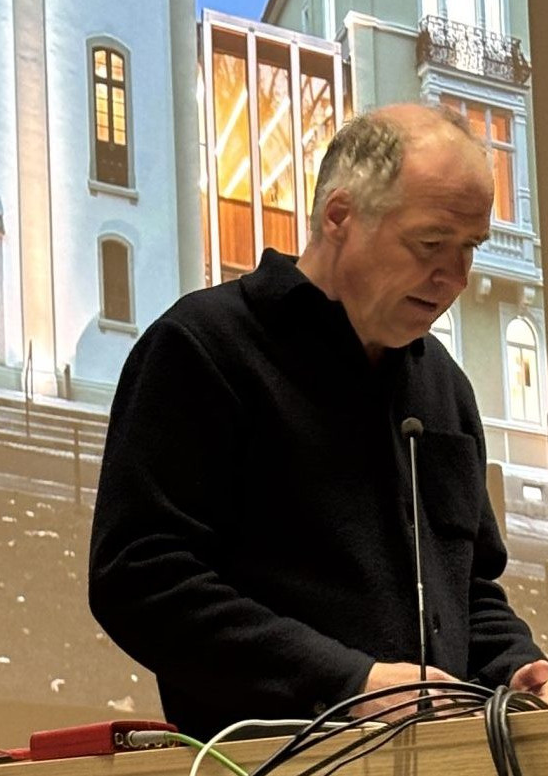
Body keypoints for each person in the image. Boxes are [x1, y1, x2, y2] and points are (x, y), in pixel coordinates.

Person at [88, 102, 548, 738]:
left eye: (470, 248)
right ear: (339, 216)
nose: (455, 277)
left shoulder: (444, 385)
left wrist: (517, 666)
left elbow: (466, 592)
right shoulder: (204, 348)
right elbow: (141, 580)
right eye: (430, 244)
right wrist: (346, 683)